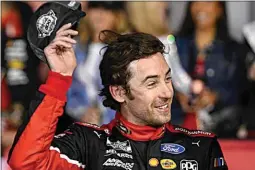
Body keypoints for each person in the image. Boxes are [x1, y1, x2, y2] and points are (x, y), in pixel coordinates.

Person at [8, 23, 228, 170]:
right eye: (152, 83)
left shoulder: (202, 147)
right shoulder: (87, 144)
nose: (166, 92)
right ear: (119, 92)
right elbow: (25, 161)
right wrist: (60, 78)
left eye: (167, 79)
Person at [173, 1, 244, 134]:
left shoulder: (234, 50)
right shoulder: (173, 45)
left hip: (221, 129)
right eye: (196, 2)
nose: (201, 7)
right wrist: (176, 95)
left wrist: (216, 96)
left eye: (208, 1)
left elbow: (242, 92)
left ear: (219, 8)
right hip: (178, 126)